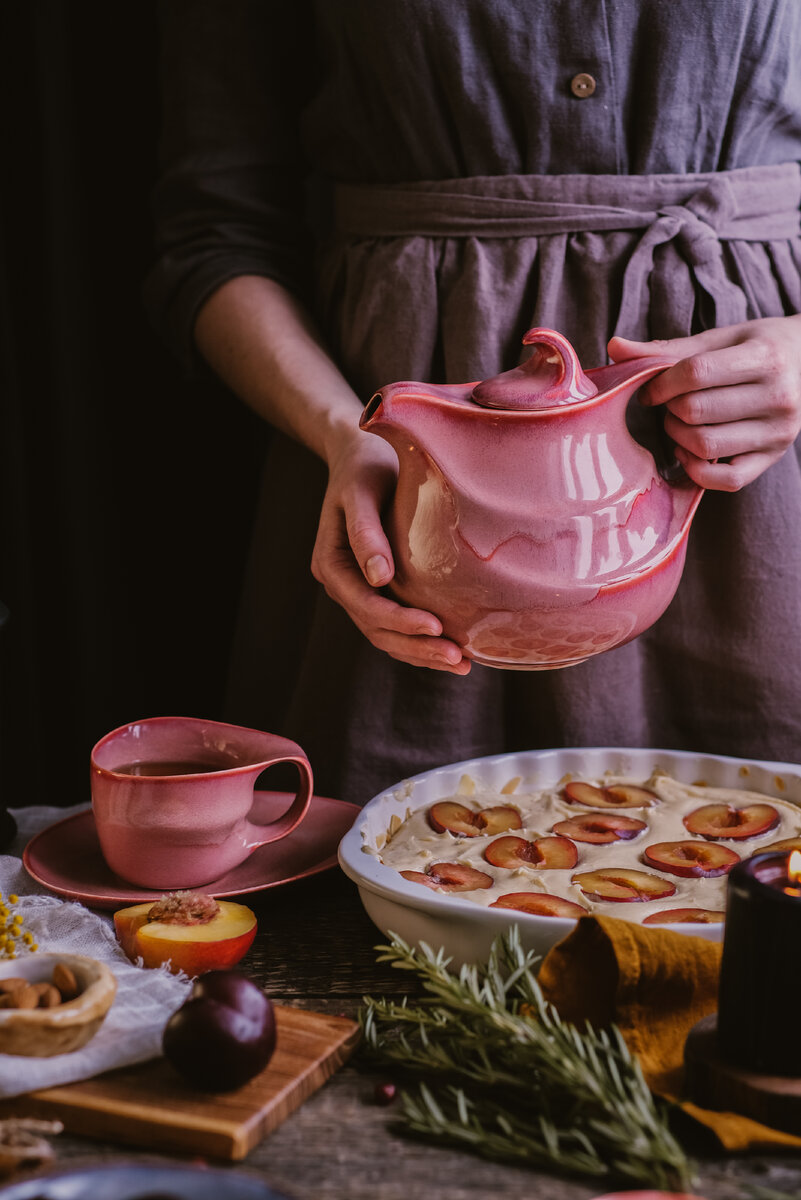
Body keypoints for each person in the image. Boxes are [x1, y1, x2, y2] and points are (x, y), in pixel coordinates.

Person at [145, 1, 801, 807]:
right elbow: (215, 236)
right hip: (403, 504)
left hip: (755, 483)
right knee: (396, 880)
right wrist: (343, 435)